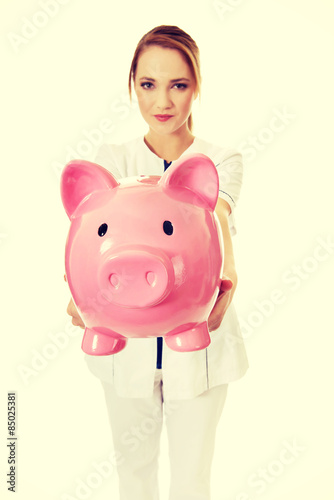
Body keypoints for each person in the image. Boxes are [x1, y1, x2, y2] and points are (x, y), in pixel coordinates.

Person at [65, 25, 248, 500]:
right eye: (148, 85)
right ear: (133, 86)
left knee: (192, 482)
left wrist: (226, 272)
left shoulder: (220, 158)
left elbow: (217, 215)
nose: (162, 101)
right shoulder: (113, 160)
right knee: (135, 478)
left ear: (197, 86)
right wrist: (81, 294)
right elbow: (90, 241)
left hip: (201, 343)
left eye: (178, 85)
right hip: (125, 348)